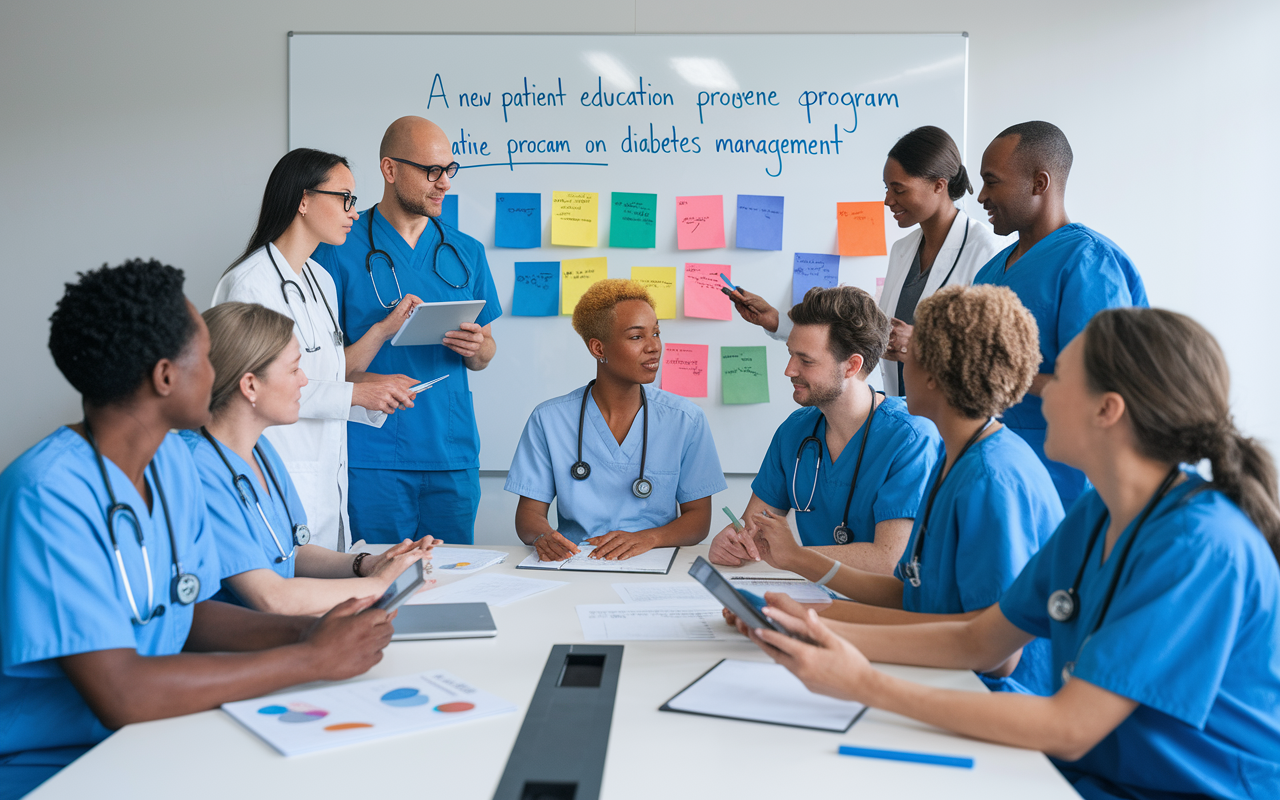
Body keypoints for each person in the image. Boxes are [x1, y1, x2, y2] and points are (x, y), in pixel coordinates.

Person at [743, 307, 1280, 800]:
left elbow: (1070, 728)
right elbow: (979, 637)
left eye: (1060, 378)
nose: (1035, 393)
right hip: (1092, 776)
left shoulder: (1200, 547)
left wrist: (861, 682)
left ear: (1107, 410)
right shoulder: (1096, 516)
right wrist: (805, 634)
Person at [0, 260, 397, 799]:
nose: (220, 373)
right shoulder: (48, 492)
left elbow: (186, 612)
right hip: (55, 767)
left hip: (154, 738)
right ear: (166, 377)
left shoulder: (169, 466)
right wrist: (307, 659)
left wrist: (311, 631)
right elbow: (119, 692)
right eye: (208, 357)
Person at [729, 285, 1064, 695]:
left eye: (911, 356)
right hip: (946, 673)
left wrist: (820, 627)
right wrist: (804, 610)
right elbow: (915, 594)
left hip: (997, 695)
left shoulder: (990, 478)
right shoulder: (959, 457)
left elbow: (996, 656)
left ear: (936, 374)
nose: (899, 366)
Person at [214, 147, 425, 551]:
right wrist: (357, 393)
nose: (354, 211)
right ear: (304, 200)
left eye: (354, 200)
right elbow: (253, 387)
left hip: (326, 480)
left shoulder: (320, 280)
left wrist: (378, 362)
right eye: (344, 197)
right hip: (277, 467)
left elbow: (329, 373)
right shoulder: (250, 284)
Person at [182, 302, 440, 616]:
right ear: (250, 385)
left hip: (281, 629)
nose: (304, 381)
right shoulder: (196, 468)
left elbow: (292, 552)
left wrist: (370, 564)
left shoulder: (261, 451)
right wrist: (380, 585)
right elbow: (271, 597)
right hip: (237, 647)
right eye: (294, 369)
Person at [313, 117, 501, 545]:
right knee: (376, 586)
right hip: (371, 454)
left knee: (452, 585)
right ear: (390, 169)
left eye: (449, 170)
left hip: (450, 453)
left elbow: (486, 355)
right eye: (430, 171)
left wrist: (477, 347)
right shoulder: (337, 247)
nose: (444, 184)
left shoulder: (466, 251)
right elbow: (316, 367)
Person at [726, 125, 1001, 396]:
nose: (887, 200)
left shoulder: (986, 250)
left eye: (899, 189)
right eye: (886, 188)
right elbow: (871, 336)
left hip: (954, 413)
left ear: (939, 185)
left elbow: (997, 356)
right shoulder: (902, 249)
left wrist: (922, 346)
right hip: (906, 410)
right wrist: (776, 321)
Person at [973, 121, 1147, 508]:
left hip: (1066, 481)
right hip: (993, 471)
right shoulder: (990, 272)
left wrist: (1003, 373)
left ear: (1039, 183)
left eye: (992, 181)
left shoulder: (1088, 262)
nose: (982, 196)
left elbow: (1100, 387)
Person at [708, 286, 941, 574]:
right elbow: (754, 532)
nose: (789, 370)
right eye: (791, 354)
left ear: (851, 366)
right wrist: (734, 542)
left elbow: (888, 559)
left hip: (886, 612)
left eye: (806, 360)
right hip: (812, 597)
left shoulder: (910, 438)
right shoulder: (794, 431)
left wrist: (794, 555)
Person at [506, 280, 726, 561]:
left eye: (656, 333)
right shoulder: (549, 419)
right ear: (598, 349)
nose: (654, 347)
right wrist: (544, 537)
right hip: (576, 561)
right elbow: (529, 515)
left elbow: (698, 520)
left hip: (654, 559)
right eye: (637, 337)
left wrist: (649, 538)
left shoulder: (685, 420)